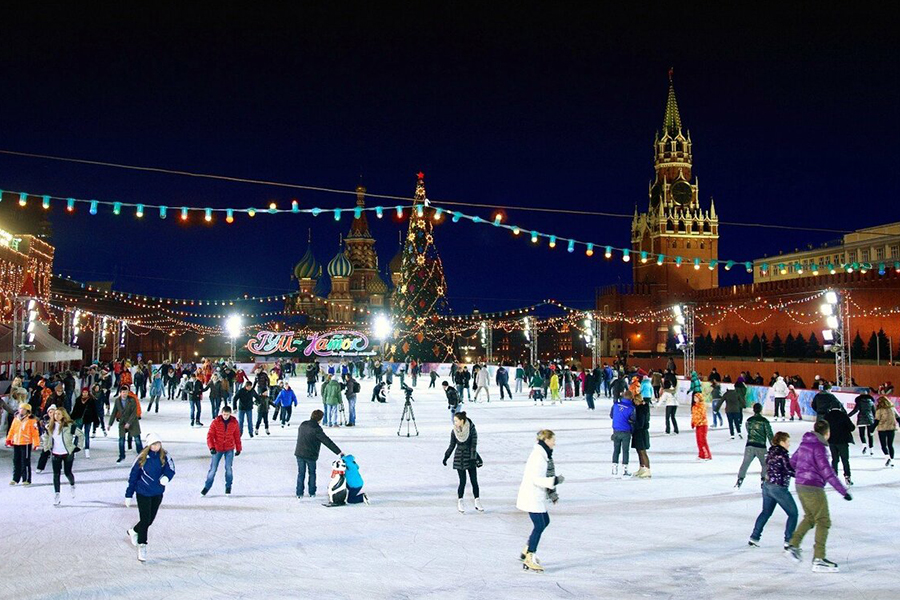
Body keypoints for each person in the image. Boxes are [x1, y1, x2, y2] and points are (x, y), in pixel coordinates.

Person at [784, 420, 852, 573]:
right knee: (823, 521)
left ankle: (793, 545)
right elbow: (827, 472)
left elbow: (792, 463)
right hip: (813, 487)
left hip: (800, 485)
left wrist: (801, 474)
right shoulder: (820, 447)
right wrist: (843, 491)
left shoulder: (804, 444)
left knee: (810, 517)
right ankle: (819, 558)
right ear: (827, 433)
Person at [516, 429, 564, 572]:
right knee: (539, 525)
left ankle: (527, 549)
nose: (554, 443)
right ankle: (530, 556)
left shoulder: (543, 454)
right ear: (546, 440)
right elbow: (536, 479)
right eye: (553, 440)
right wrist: (554, 481)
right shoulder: (538, 456)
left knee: (545, 521)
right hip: (532, 495)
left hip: (535, 495)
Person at [125, 432, 175, 562]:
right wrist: (129, 494)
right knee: (145, 519)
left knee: (149, 520)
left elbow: (171, 469)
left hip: (157, 492)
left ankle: (134, 530)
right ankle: (142, 545)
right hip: (143, 492)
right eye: (153, 444)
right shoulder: (142, 457)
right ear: (149, 445)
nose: (156, 446)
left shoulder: (165, 455)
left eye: (157, 443)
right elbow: (133, 476)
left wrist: (166, 477)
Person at [749, 431, 798, 549]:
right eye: (788, 442)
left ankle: (754, 537)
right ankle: (789, 541)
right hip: (778, 488)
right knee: (793, 514)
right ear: (782, 442)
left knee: (765, 512)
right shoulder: (782, 454)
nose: (789, 444)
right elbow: (789, 470)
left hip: (767, 486)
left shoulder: (770, 452)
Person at [294, 409, 342, 499]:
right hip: (310, 455)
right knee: (312, 473)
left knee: (301, 473)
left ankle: (299, 493)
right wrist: (339, 452)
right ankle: (312, 492)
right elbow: (327, 441)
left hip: (299, 453)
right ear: (319, 419)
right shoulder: (317, 429)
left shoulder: (303, 424)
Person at [443, 411, 483, 513]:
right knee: (462, 481)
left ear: (462, 420)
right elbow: (452, 445)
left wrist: (474, 458)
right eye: (454, 420)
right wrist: (446, 456)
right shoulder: (454, 431)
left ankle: (477, 501)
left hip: (470, 457)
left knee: (474, 480)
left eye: (456, 420)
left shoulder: (471, 429)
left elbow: (474, 445)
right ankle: (460, 501)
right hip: (459, 457)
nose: (454, 422)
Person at [41, 407, 81, 505]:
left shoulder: (69, 425)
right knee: (56, 474)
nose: (56, 416)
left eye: (59, 414)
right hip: (55, 453)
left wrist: (78, 447)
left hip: (67, 453)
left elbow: (80, 435)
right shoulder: (50, 426)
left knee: (68, 473)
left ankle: (72, 485)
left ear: (63, 415)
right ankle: (57, 494)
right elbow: (46, 437)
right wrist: (46, 448)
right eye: (55, 414)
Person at [201, 405, 241, 496]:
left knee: (228, 468)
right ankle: (207, 487)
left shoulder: (234, 423)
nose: (225, 416)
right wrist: (211, 447)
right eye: (224, 414)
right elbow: (210, 436)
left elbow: (237, 436)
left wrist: (238, 448)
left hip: (229, 448)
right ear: (221, 413)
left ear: (230, 414)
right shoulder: (216, 422)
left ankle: (228, 487)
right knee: (213, 469)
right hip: (217, 448)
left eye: (227, 415)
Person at [735, 403, 774, 488]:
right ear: (761, 410)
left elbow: (748, 430)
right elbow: (769, 434)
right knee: (765, 465)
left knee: (745, 463)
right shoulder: (764, 421)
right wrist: (773, 445)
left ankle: (740, 479)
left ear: (753, 410)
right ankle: (763, 480)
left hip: (750, 445)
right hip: (761, 447)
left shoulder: (749, 420)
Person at [6, 403, 41, 485]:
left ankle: (26, 479)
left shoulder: (31, 420)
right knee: (16, 460)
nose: (21, 410)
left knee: (25, 461)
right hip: (16, 442)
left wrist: (36, 443)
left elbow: (35, 433)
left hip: (25, 443)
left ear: (27, 411)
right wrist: (9, 439)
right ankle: (15, 478)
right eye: (20, 408)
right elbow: (12, 429)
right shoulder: (16, 419)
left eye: (24, 409)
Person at [109, 386, 143, 463]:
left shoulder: (132, 400)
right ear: (120, 393)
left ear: (128, 393)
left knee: (137, 439)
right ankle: (121, 456)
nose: (124, 394)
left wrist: (129, 423)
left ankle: (141, 455)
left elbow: (134, 413)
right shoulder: (117, 401)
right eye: (123, 392)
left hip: (133, 422)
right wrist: (110, 424)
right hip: (123, 422)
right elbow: (114, 412)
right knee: (121, 439)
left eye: (126, 392)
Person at [824, 406, 855, 487]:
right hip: (843, 441)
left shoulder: (827, 416)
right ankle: (847, 476)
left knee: (835, 459)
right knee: (845, 460)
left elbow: (823, 428)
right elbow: (852, 428)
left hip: (832, 441)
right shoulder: (843, 415)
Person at [610, 391, 635, 476]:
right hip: (626, 431)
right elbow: (633, 419)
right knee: (625, 451)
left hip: (616, 430)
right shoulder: (631, 408)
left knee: (616, 450)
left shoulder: (616, 405)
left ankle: (614, 469)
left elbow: (611, 415)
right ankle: (624, 470)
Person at [70, 388, 99, 459]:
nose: (85, 394)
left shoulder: (91, 400)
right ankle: (74, 450)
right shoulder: (78, 400)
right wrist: (71, 419)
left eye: (86, 392)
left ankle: (87, 450)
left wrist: (96, 421)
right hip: (79, 420)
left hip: (88, 420)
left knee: (86, 435)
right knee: (77, 434)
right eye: (83, 392)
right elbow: (75, 410)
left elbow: (95, 411)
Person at [848, 390, 876, 455]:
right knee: (870, 434)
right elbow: (874, 412)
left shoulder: (859, 402)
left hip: (861, 418)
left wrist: (847, 416)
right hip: (870, 419)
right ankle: (871, 449)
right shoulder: (871, 402)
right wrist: (875, 420)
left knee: (862, 434)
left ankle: (864, 445)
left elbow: (855, 410)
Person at [874, 396, 898, 467]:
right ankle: (892, 460)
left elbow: (876, 421)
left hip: (882, 429)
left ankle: (887, 457)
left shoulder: (879, 410)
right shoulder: (892, 409)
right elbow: (898, 418)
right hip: (891, 428)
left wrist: (871, 430)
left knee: (884, 445)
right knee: (890, 445)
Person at [631, 395, 651, 478]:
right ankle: (642, 467)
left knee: (642, 452)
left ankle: (647, 469)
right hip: (638, 433)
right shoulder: (640, 408)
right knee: (639, 451)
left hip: (641, 433)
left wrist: (632, 422)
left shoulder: (641, 409)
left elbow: (640, 423)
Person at [691, 392, 712, 460]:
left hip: (702, 425)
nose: (695, 399)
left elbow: (702, 416)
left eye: (696, 398)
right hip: (697, 425)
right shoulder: (694, 406)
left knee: (702, 440)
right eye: (694, 398)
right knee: (698, 440)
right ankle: (701, 454)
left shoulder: (702, 406)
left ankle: (707, 455)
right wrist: (693, 422)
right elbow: (694, 415)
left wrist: (698, 422)